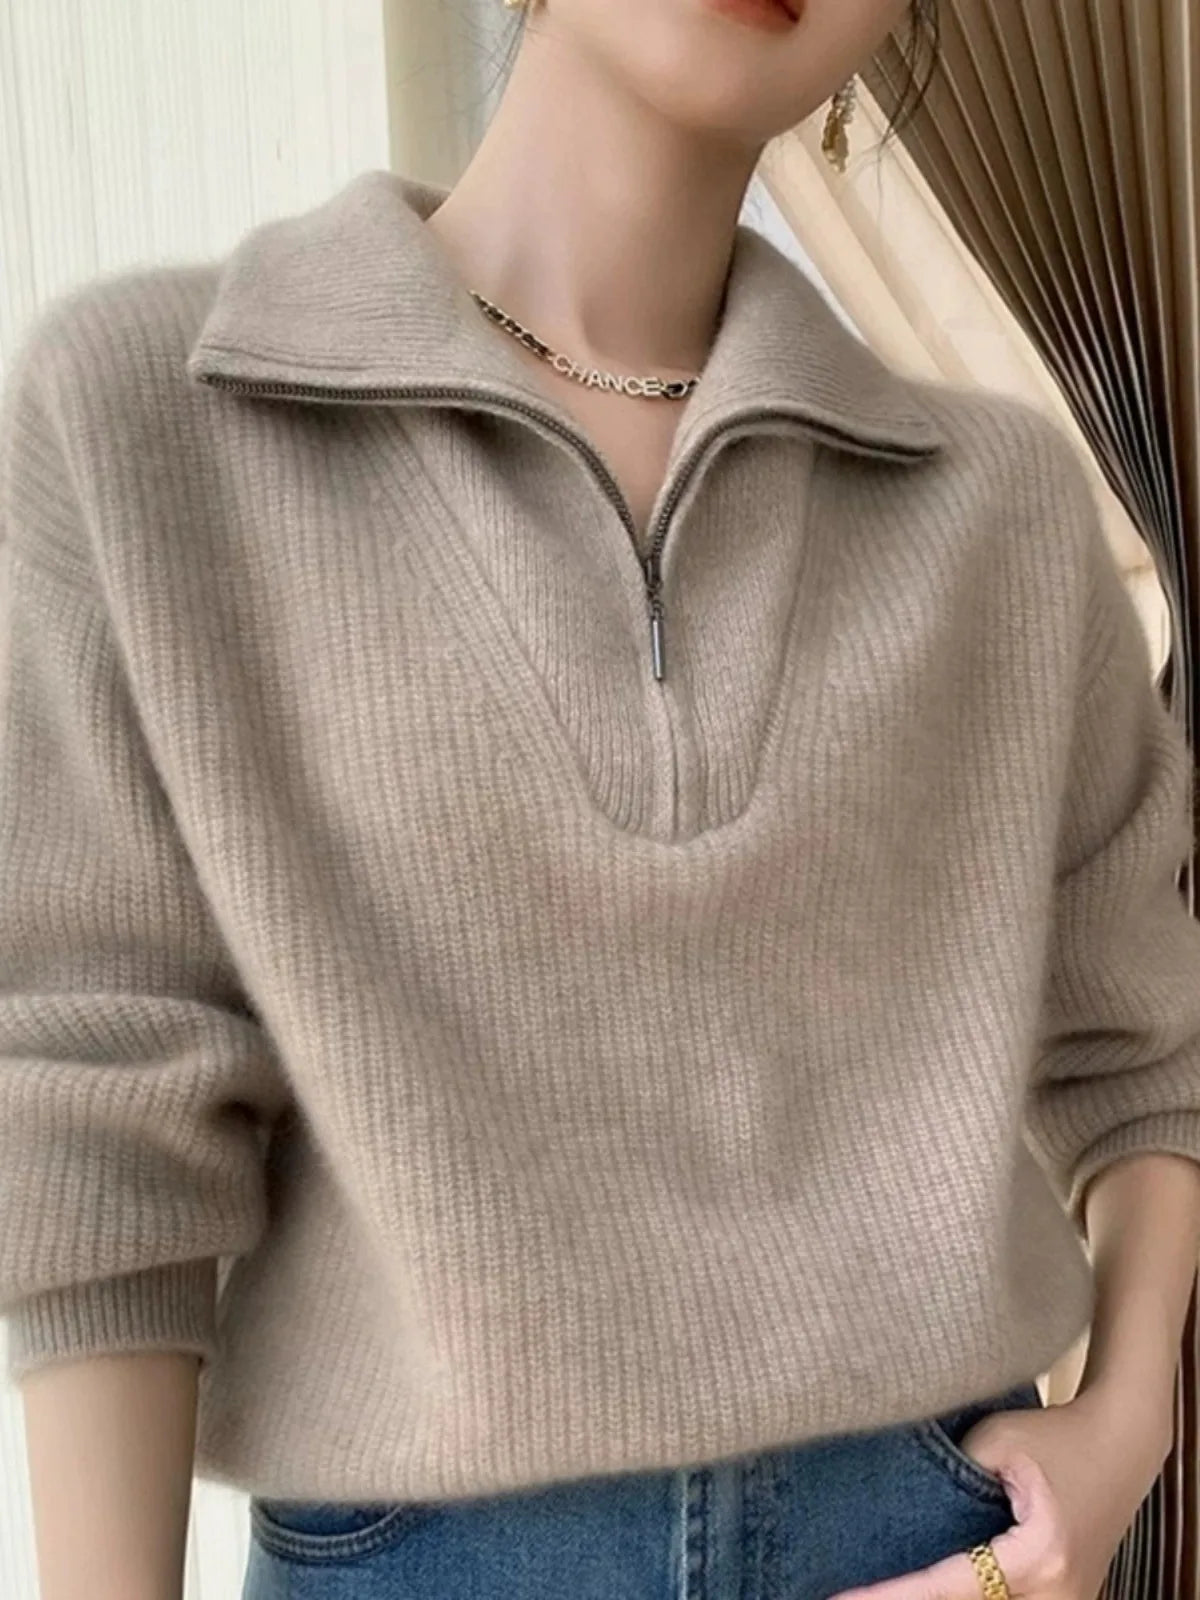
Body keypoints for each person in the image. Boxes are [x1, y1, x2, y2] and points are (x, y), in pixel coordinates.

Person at [3, 0, 1200, 1596]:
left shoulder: (1005, 515)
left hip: (931, 1534)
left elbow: (1144, 1046)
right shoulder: (143, 418)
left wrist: (1126, 1420)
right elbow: (97, 1112)